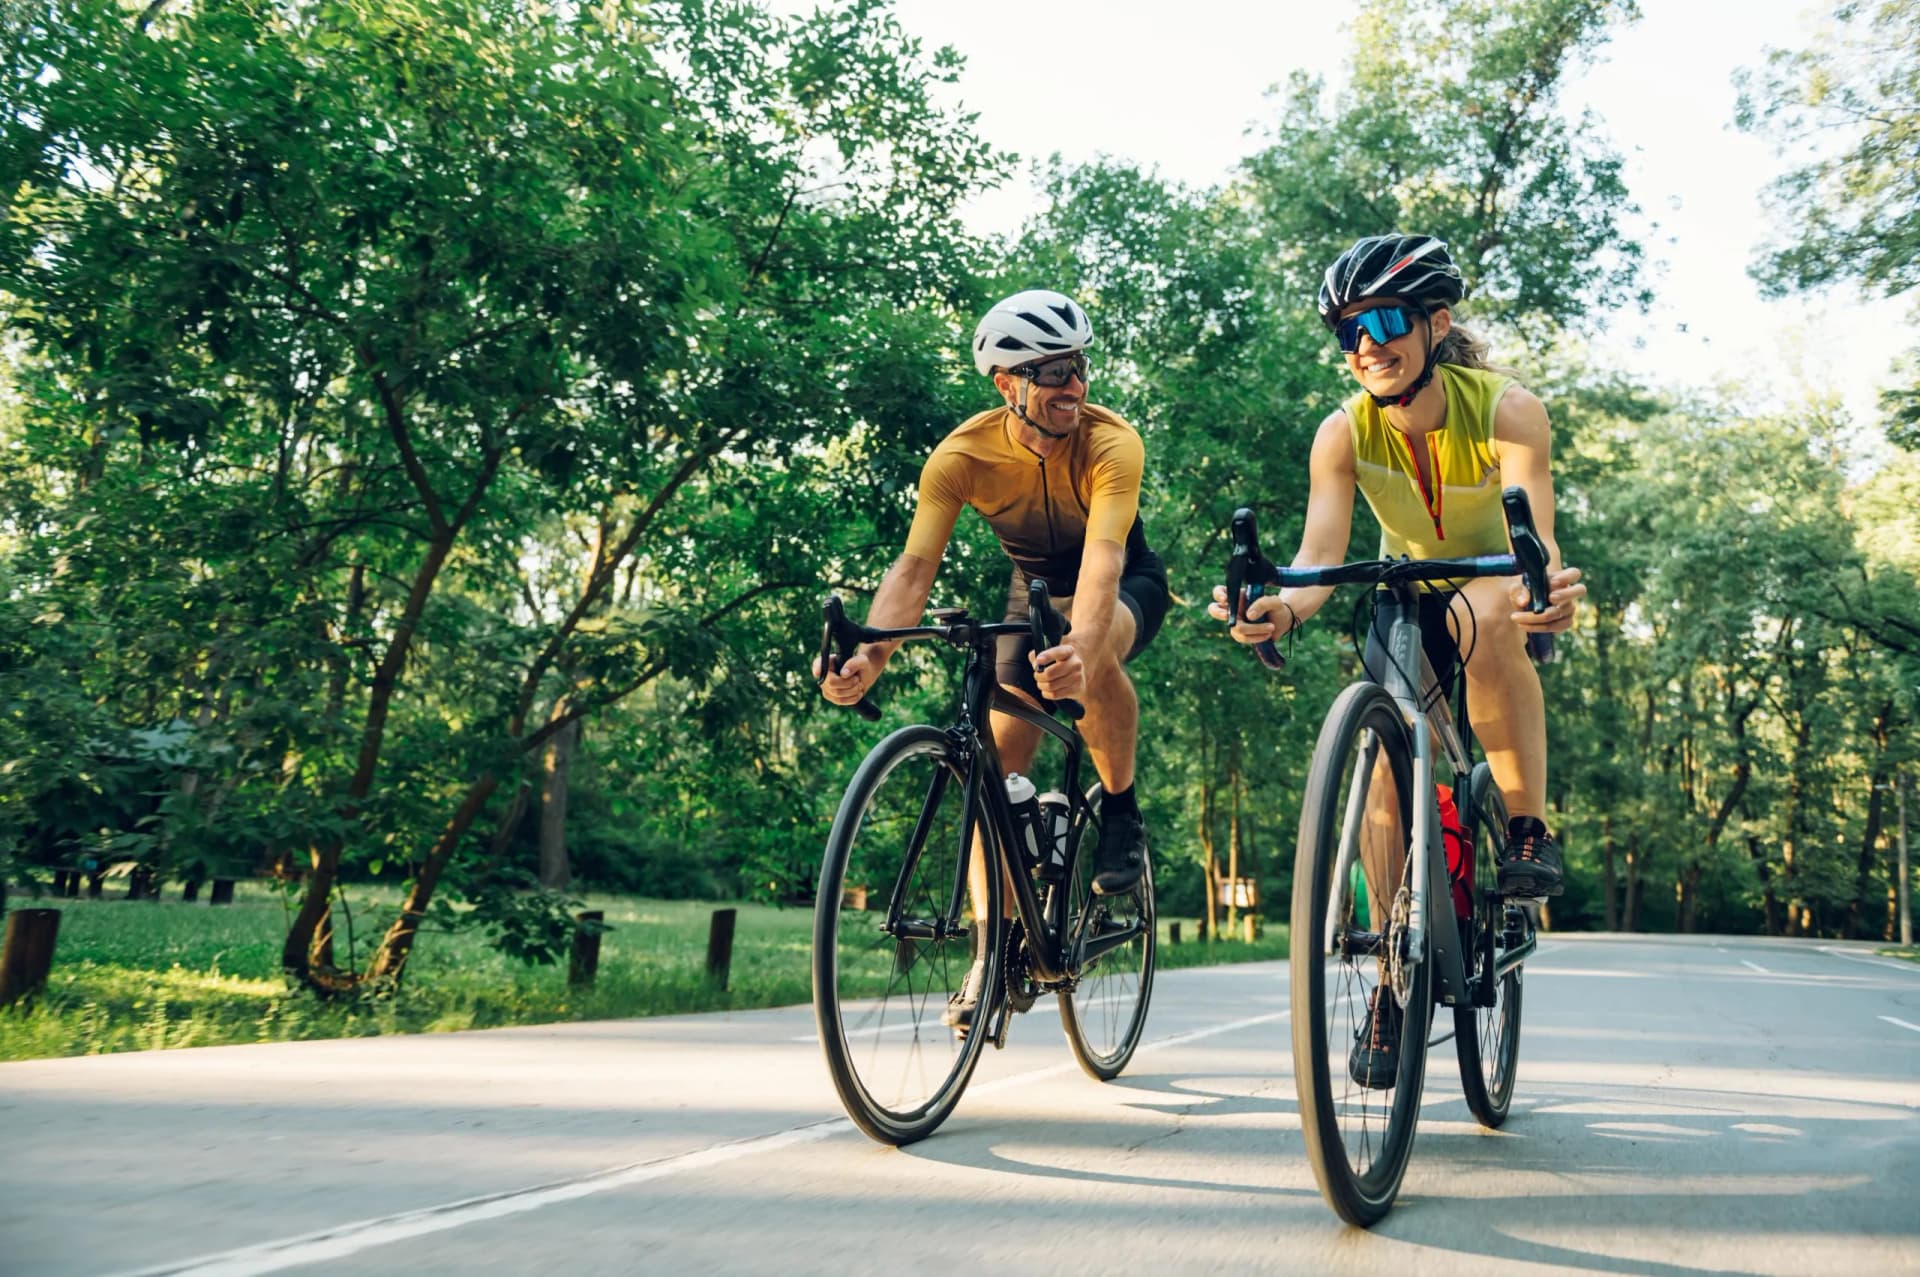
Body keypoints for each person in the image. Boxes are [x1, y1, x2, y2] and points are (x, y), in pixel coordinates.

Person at [1209, 234, 1585, 1085]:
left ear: (1435, 321)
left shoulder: (1508, 409)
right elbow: (1314, 561)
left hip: (1494, 594)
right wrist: (1274, 608)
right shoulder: (1340, 434)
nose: (1367, 345)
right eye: (1348, 332)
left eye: (1383, 321)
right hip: (1403, 597)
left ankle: (1526, 825)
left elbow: (1540, 542)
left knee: (1489, 613)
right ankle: (1391, 972)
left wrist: (1546, 591)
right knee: (1380, 761)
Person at [817, 289, 1169, 1030]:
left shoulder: (1113, 442)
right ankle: (990, 952)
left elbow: (1103, 563)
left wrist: (1082, 647)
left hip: (1123, 579)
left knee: (1088, 641)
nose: (1073, 385)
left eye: (1078, 365)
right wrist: (872, 656)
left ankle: (1122, 810)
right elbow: (914, 570)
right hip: (1032, 587)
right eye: (1051, 372)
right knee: (993, 775)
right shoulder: (963, 455)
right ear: (1007, 384)